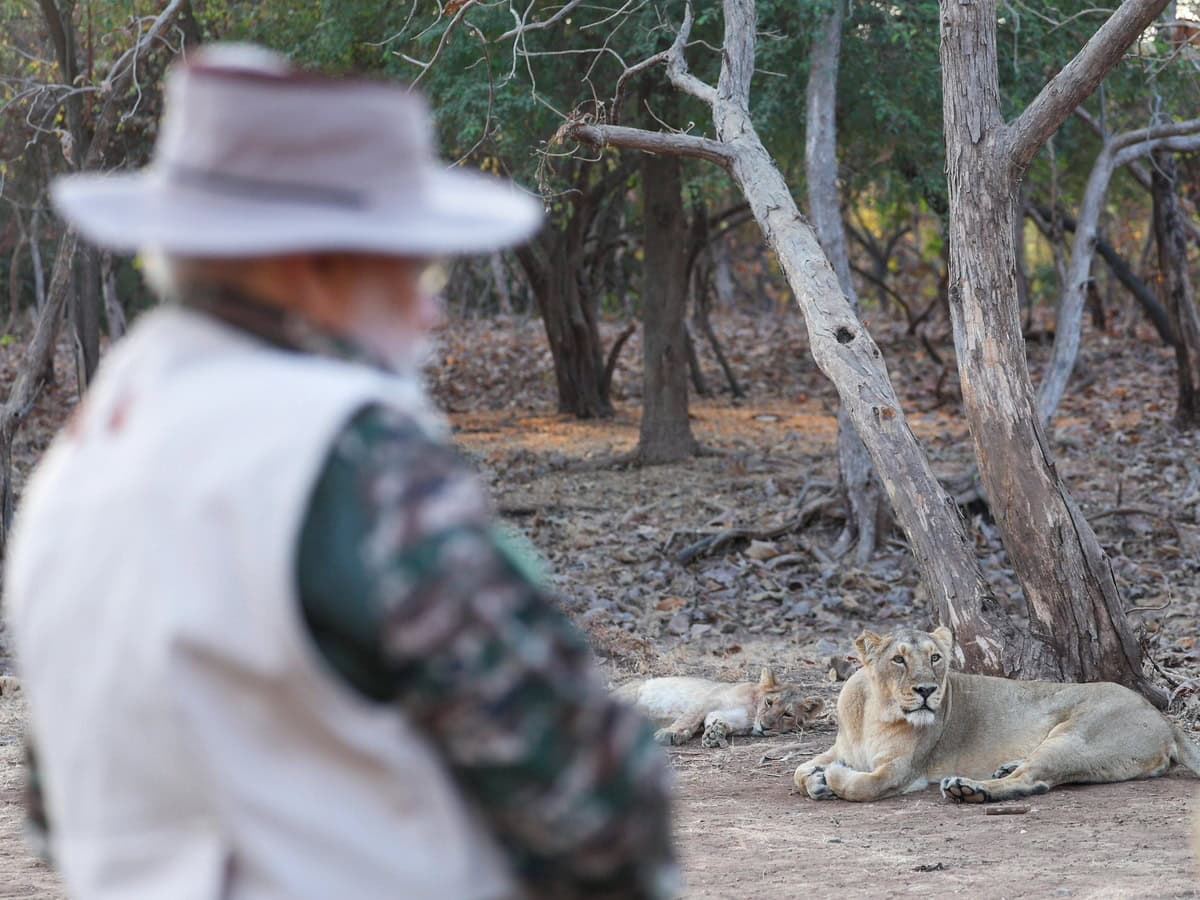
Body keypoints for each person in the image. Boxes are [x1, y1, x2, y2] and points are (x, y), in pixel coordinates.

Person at [5, 44, 677, 900]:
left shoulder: (79, 460)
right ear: (312, 267)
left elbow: (56, 808)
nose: (431, 305)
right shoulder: (348, 459)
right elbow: (598, 797)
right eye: (413, 266)